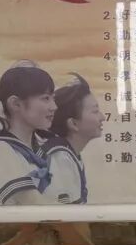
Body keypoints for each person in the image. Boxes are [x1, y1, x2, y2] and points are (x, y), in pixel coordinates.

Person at [0, 63, 57, 205]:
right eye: (46, 98)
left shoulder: (40, 152)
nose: (54, 106)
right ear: (15, 104)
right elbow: (34, 204)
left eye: (53, 98)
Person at [41, 73, 103, 204]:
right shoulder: (59, 157)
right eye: (95, 111)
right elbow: (65, 213)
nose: (102, 117)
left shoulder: (68, 154)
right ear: (73, 124)